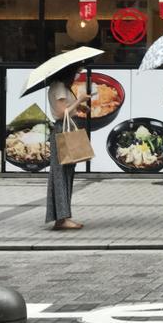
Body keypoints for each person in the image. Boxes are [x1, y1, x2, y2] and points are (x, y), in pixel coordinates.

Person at [46, 63, 91, 230]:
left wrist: (79, 106)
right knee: (60, 174)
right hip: (61, 131)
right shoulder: (58, 87)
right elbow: (60, 113)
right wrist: (79, 100)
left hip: (67, 129)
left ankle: (63, 217)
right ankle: (62, 218)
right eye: (77, 70)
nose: (79, 74)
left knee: (66, 173)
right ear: (69, 71)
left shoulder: (63, 87)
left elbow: (67, 109)